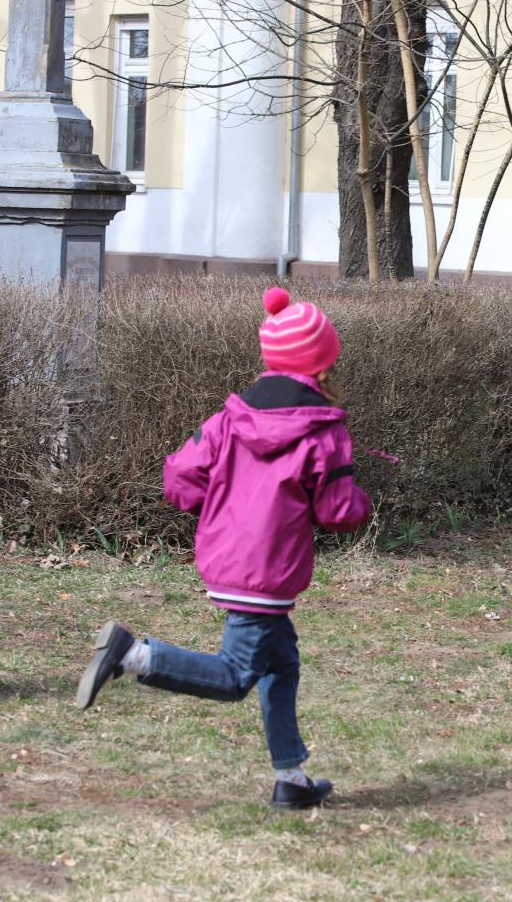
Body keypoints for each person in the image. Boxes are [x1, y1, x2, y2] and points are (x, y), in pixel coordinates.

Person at [76, 286, 373, 810]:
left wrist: (222, 511)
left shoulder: (228, 420)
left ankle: (291, 778)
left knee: (281, 663)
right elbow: (336, 512)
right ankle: (134, 656)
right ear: (323, 365)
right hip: (267, 572)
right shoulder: (324, 434)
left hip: (231, 560)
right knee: (236, 677)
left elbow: (179, 476)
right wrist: (361, 502)